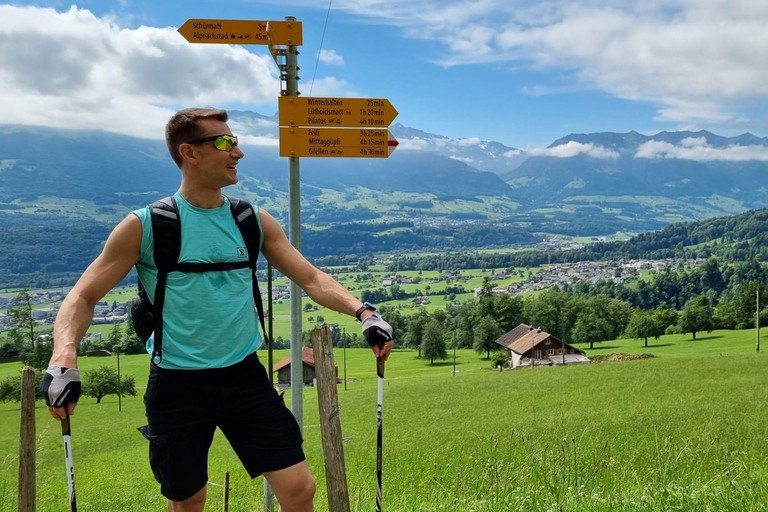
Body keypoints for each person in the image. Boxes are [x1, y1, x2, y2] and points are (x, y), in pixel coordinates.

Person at [41, 107, 395, 512]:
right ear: (189, 152)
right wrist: (64, 356)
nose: (238, 152)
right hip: (177, 383)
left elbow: (312, 279)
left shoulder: (251, 220)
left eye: (236, 141)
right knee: (188, 500)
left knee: (300, 488)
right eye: (225, 142)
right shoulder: (146, 226)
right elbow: (82, 296)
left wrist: (363, 312)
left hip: (244, 376)